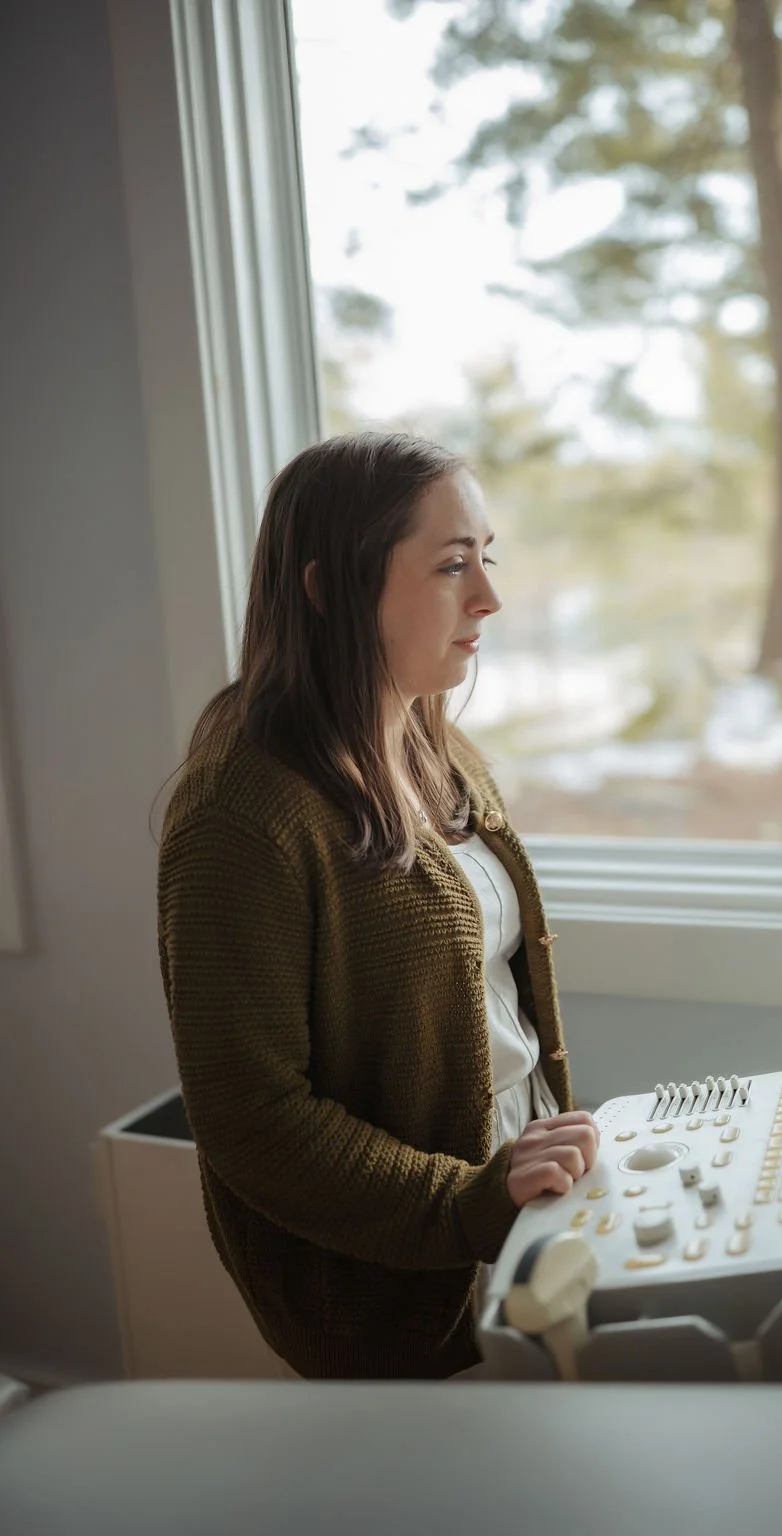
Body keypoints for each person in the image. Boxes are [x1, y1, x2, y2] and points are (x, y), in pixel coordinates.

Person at [157, 430, 600, 1380]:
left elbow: (487, 1000)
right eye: (451, 566)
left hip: (513, 1214)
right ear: (328, 588)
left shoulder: (435, 744)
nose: (488, 597)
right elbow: (252, 1118)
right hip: (391, 1284)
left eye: (487, 559)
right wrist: (466, 1205)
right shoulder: (241, 813)